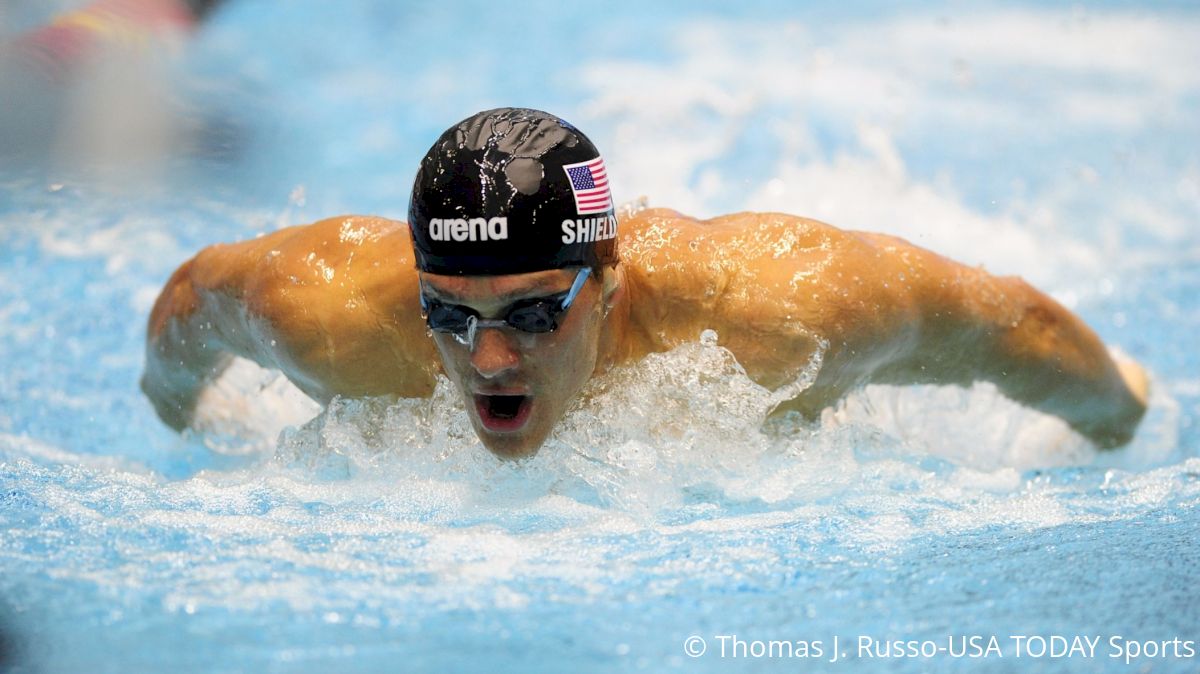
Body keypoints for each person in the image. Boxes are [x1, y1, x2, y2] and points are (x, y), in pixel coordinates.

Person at [141, 107, 1149, 458]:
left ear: (608, 277)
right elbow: (192, 299)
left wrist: (1116, 418)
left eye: (535, 311)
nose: (488, 357)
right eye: (448, 314)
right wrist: (181, 417)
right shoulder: (321, 313)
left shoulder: (779, 311)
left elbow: (1008, 322)